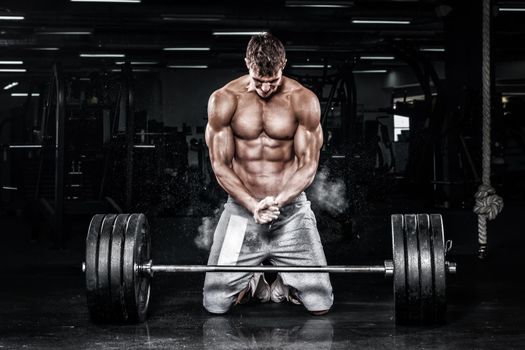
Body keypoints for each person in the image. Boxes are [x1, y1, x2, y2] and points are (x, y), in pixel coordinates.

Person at [203, 33, 333, 315]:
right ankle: (254, 282)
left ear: (283, 64)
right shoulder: (224, 100)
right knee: (214, 304)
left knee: (320, 303)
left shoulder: (303, 100)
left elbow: (308, 165)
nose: (264, 88)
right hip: (241, 212)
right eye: (258, 80)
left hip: (292, 213)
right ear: (247, 63)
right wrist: (253, 206)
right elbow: (220, 165)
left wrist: (279, 201)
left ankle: (286, 285)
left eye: (271, 81)